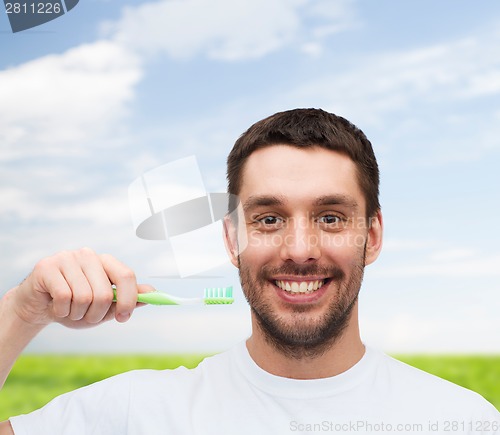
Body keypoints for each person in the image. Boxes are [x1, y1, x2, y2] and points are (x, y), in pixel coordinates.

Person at [0, 109, 498, 434]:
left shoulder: (463, 422)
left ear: (372, 236)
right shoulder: (137, 414)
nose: (299, 249)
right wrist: (21, 312)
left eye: (330, 217)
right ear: (231, 239)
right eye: (269, 219)